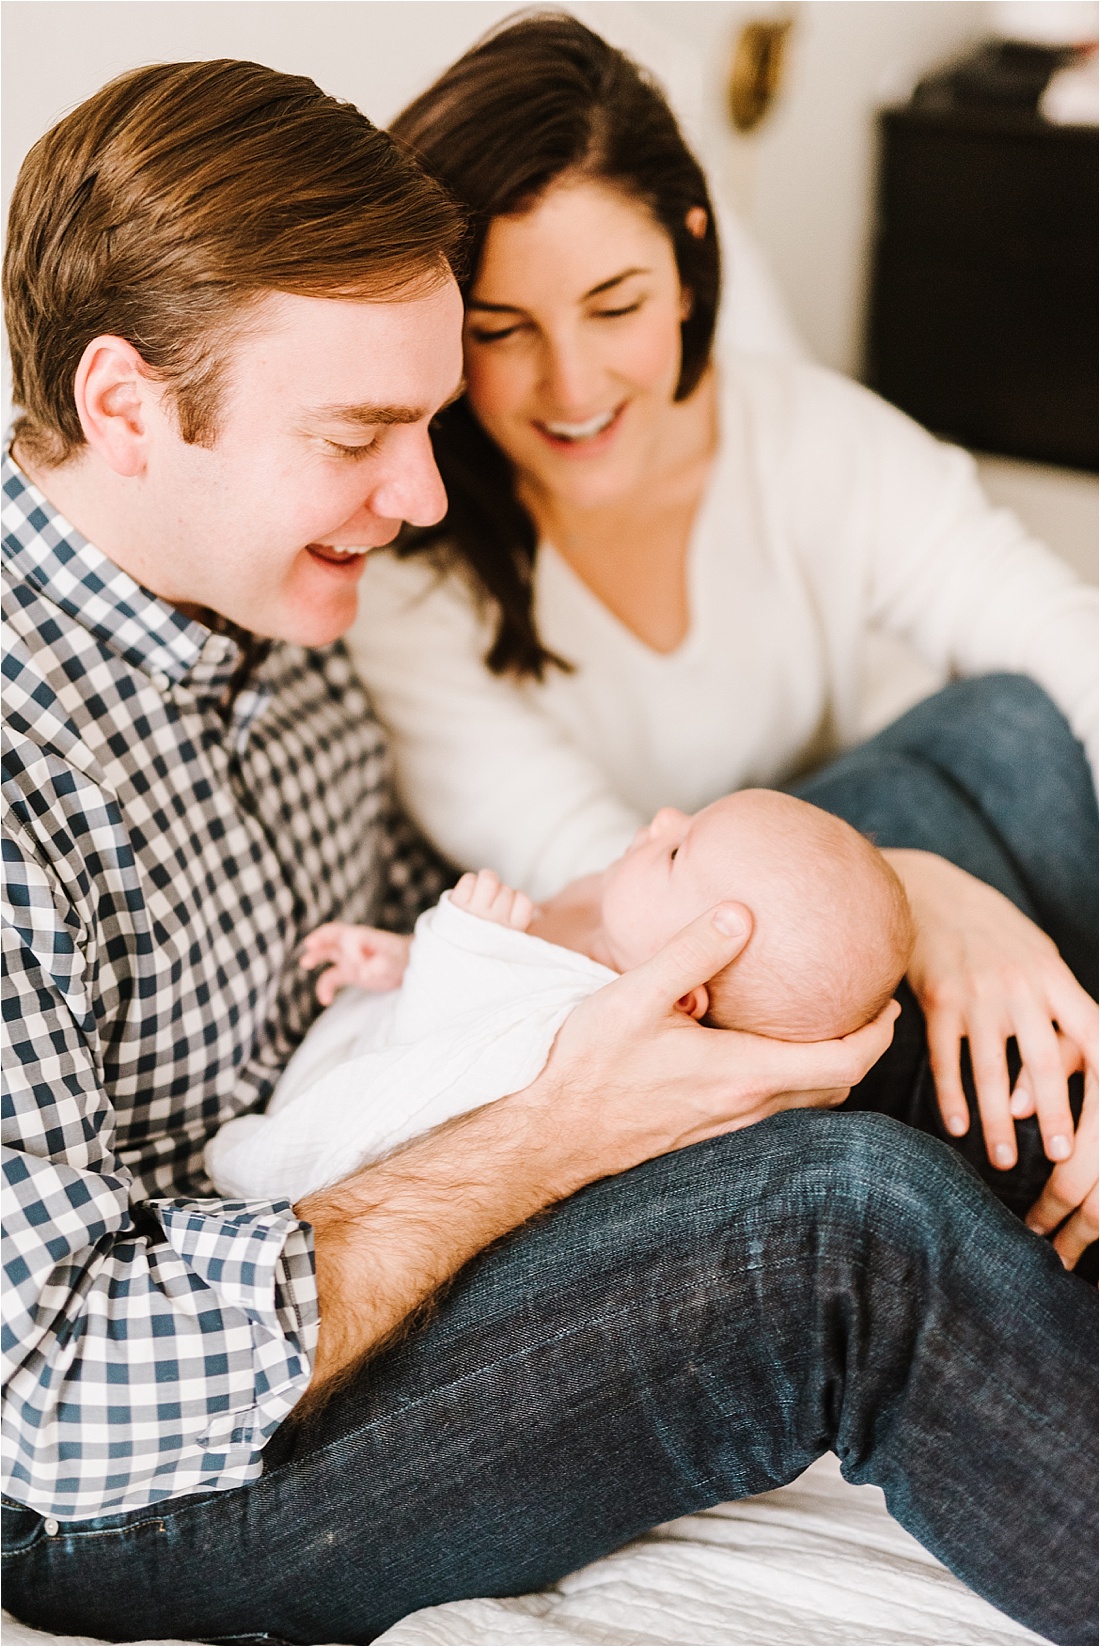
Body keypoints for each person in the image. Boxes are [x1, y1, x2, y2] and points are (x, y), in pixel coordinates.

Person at [1, 53, 1095, 1647]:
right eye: (362, 432)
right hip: (167, 1467)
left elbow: (458, 928)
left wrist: (911, 901)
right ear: (126, 407)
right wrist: (556, 1128)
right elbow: (55, 1397)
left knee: (972, 763)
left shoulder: (271, 599)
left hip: (386, 1130)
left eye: (429, 420)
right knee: (840, 1223)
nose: (426, 490)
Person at [348, 12, 1099, 1248]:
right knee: (905, 806)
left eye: (614, 303)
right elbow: (614, 902)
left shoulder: (805, 437)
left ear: (690, 260)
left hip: (864, 907)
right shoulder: (416, 591)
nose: (573, 385)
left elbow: (1057, 629)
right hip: (693, 1003)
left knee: (1007, 720)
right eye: (500, 332)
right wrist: (913, 894)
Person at [206, 792, 915, 1202]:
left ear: (684, 996)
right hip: (385, 1047)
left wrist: (459, 945)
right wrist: (403, 958)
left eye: (676, 851)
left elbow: (464, 1066)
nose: (663, 816)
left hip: (338, 1170)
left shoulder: (582, 1022)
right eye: (685, 819)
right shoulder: (604, 930)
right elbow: (439, 1042)